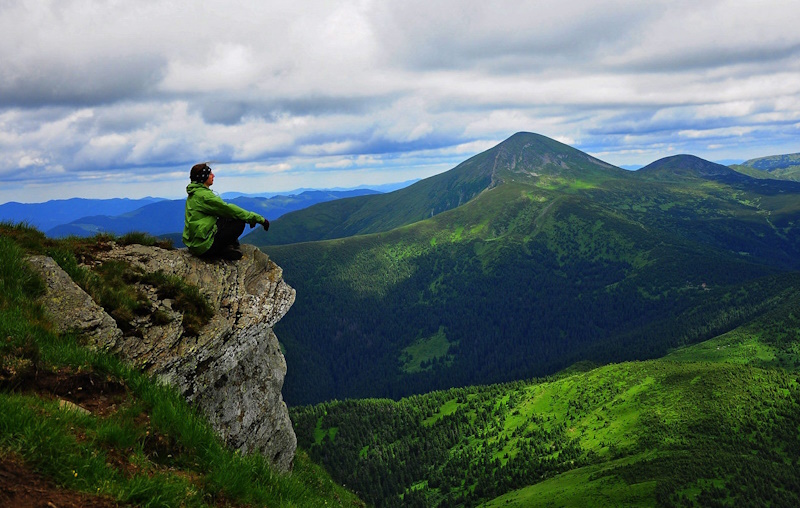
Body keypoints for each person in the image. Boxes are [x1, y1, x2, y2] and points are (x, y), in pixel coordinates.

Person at [182, 162, 269, 261]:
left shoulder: (195, 193)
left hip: (196, 243)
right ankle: (223, 250)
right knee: (239, 222)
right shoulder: (204, 196)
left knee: (227, 217)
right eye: (210, 174)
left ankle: (228, 247)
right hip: (203, 246)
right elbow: (228, 209)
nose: (213, 175)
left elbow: (225, 212)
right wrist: (257, 219)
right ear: (203, 177)